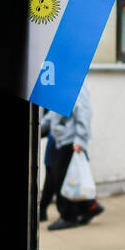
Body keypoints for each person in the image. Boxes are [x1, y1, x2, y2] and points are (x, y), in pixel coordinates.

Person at [39, 81, 105, 231]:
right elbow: (53, 115)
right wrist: (40, 127)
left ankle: (68, 217)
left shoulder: (76, 86)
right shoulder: (62, 88)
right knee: (63, 178)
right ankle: (86, 209)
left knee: (63, 180)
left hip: (70, 141)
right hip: (61, 139)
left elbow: (84, 113)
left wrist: (80, 140)